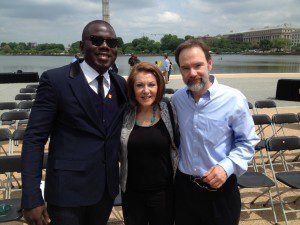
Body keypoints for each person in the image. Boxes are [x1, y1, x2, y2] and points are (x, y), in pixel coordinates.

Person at [21, 20, 127, 225]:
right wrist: (31, 196)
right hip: (66, 194)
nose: (105, 46)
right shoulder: (56, 80)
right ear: (81, 46)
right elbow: (34, 139)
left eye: (112, 42)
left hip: (105, 191)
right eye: (96, 40)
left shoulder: (119, 83)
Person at [171, 39, 259, 225]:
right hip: (184, 190)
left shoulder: (233, 98)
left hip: (220, 188)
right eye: (185, 68)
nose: (192, 73)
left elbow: (248, 141)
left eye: (198, 65)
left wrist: (226, 168)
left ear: (210, 63)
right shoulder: (177, 99)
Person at [120, 62, 179, 225]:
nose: (146, 91)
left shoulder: (168, 108)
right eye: (139, 85)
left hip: (164, 193)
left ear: (159, 86)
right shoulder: (125, 112)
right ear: (132, 88)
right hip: (131, 193)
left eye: (151, 85)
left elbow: (179, 144)